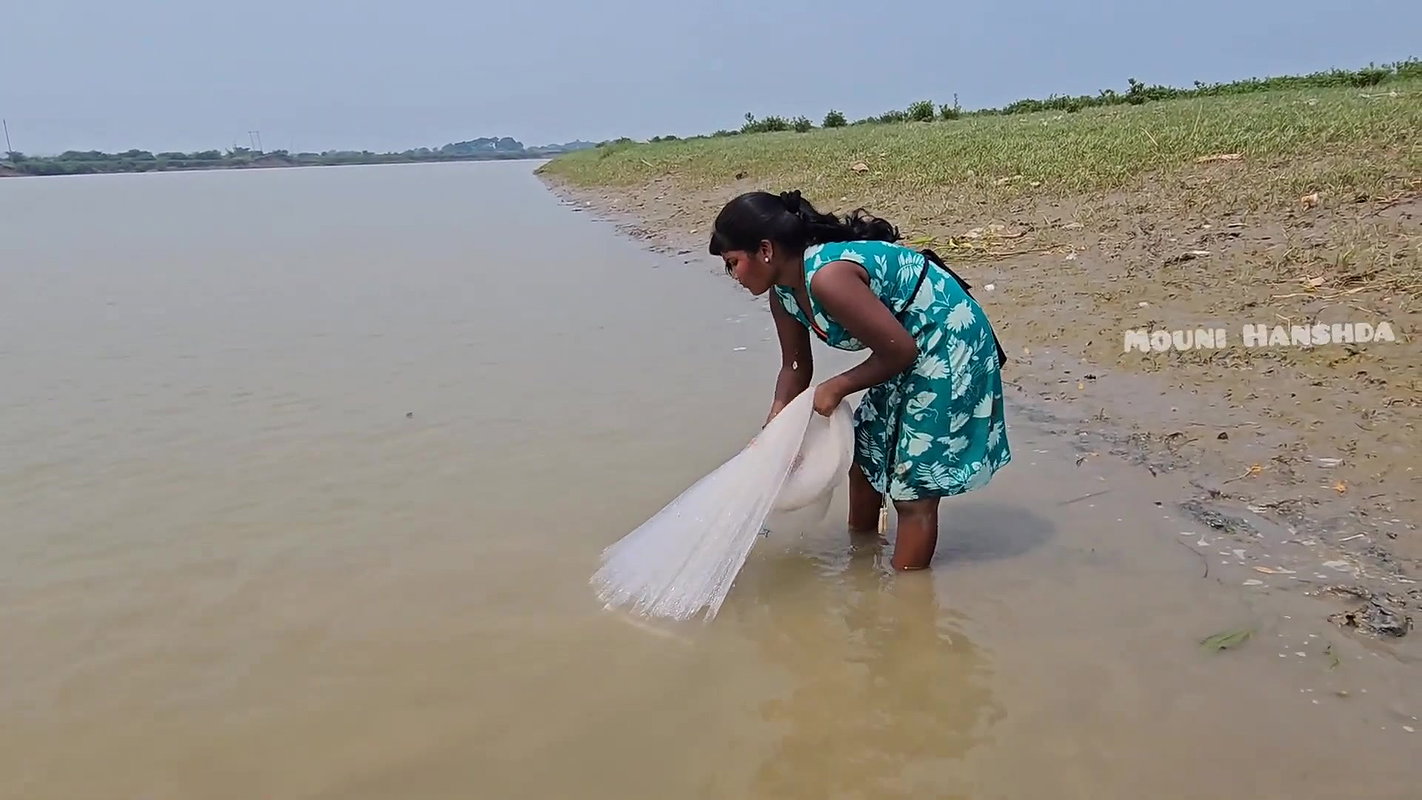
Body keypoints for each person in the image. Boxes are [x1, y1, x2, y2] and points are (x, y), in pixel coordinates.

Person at [708, 189, 1012, 571]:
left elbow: (900, 352)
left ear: (765, 251)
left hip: (948, 341)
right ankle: (862, 562)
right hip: (903, 346)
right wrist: (776, 432)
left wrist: (835, 388)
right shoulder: (783, 293)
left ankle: (907, 596)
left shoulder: (827, 277)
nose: (732, 275)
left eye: (733, 262)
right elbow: (796, 367)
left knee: (914, 491)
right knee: (865, 454)